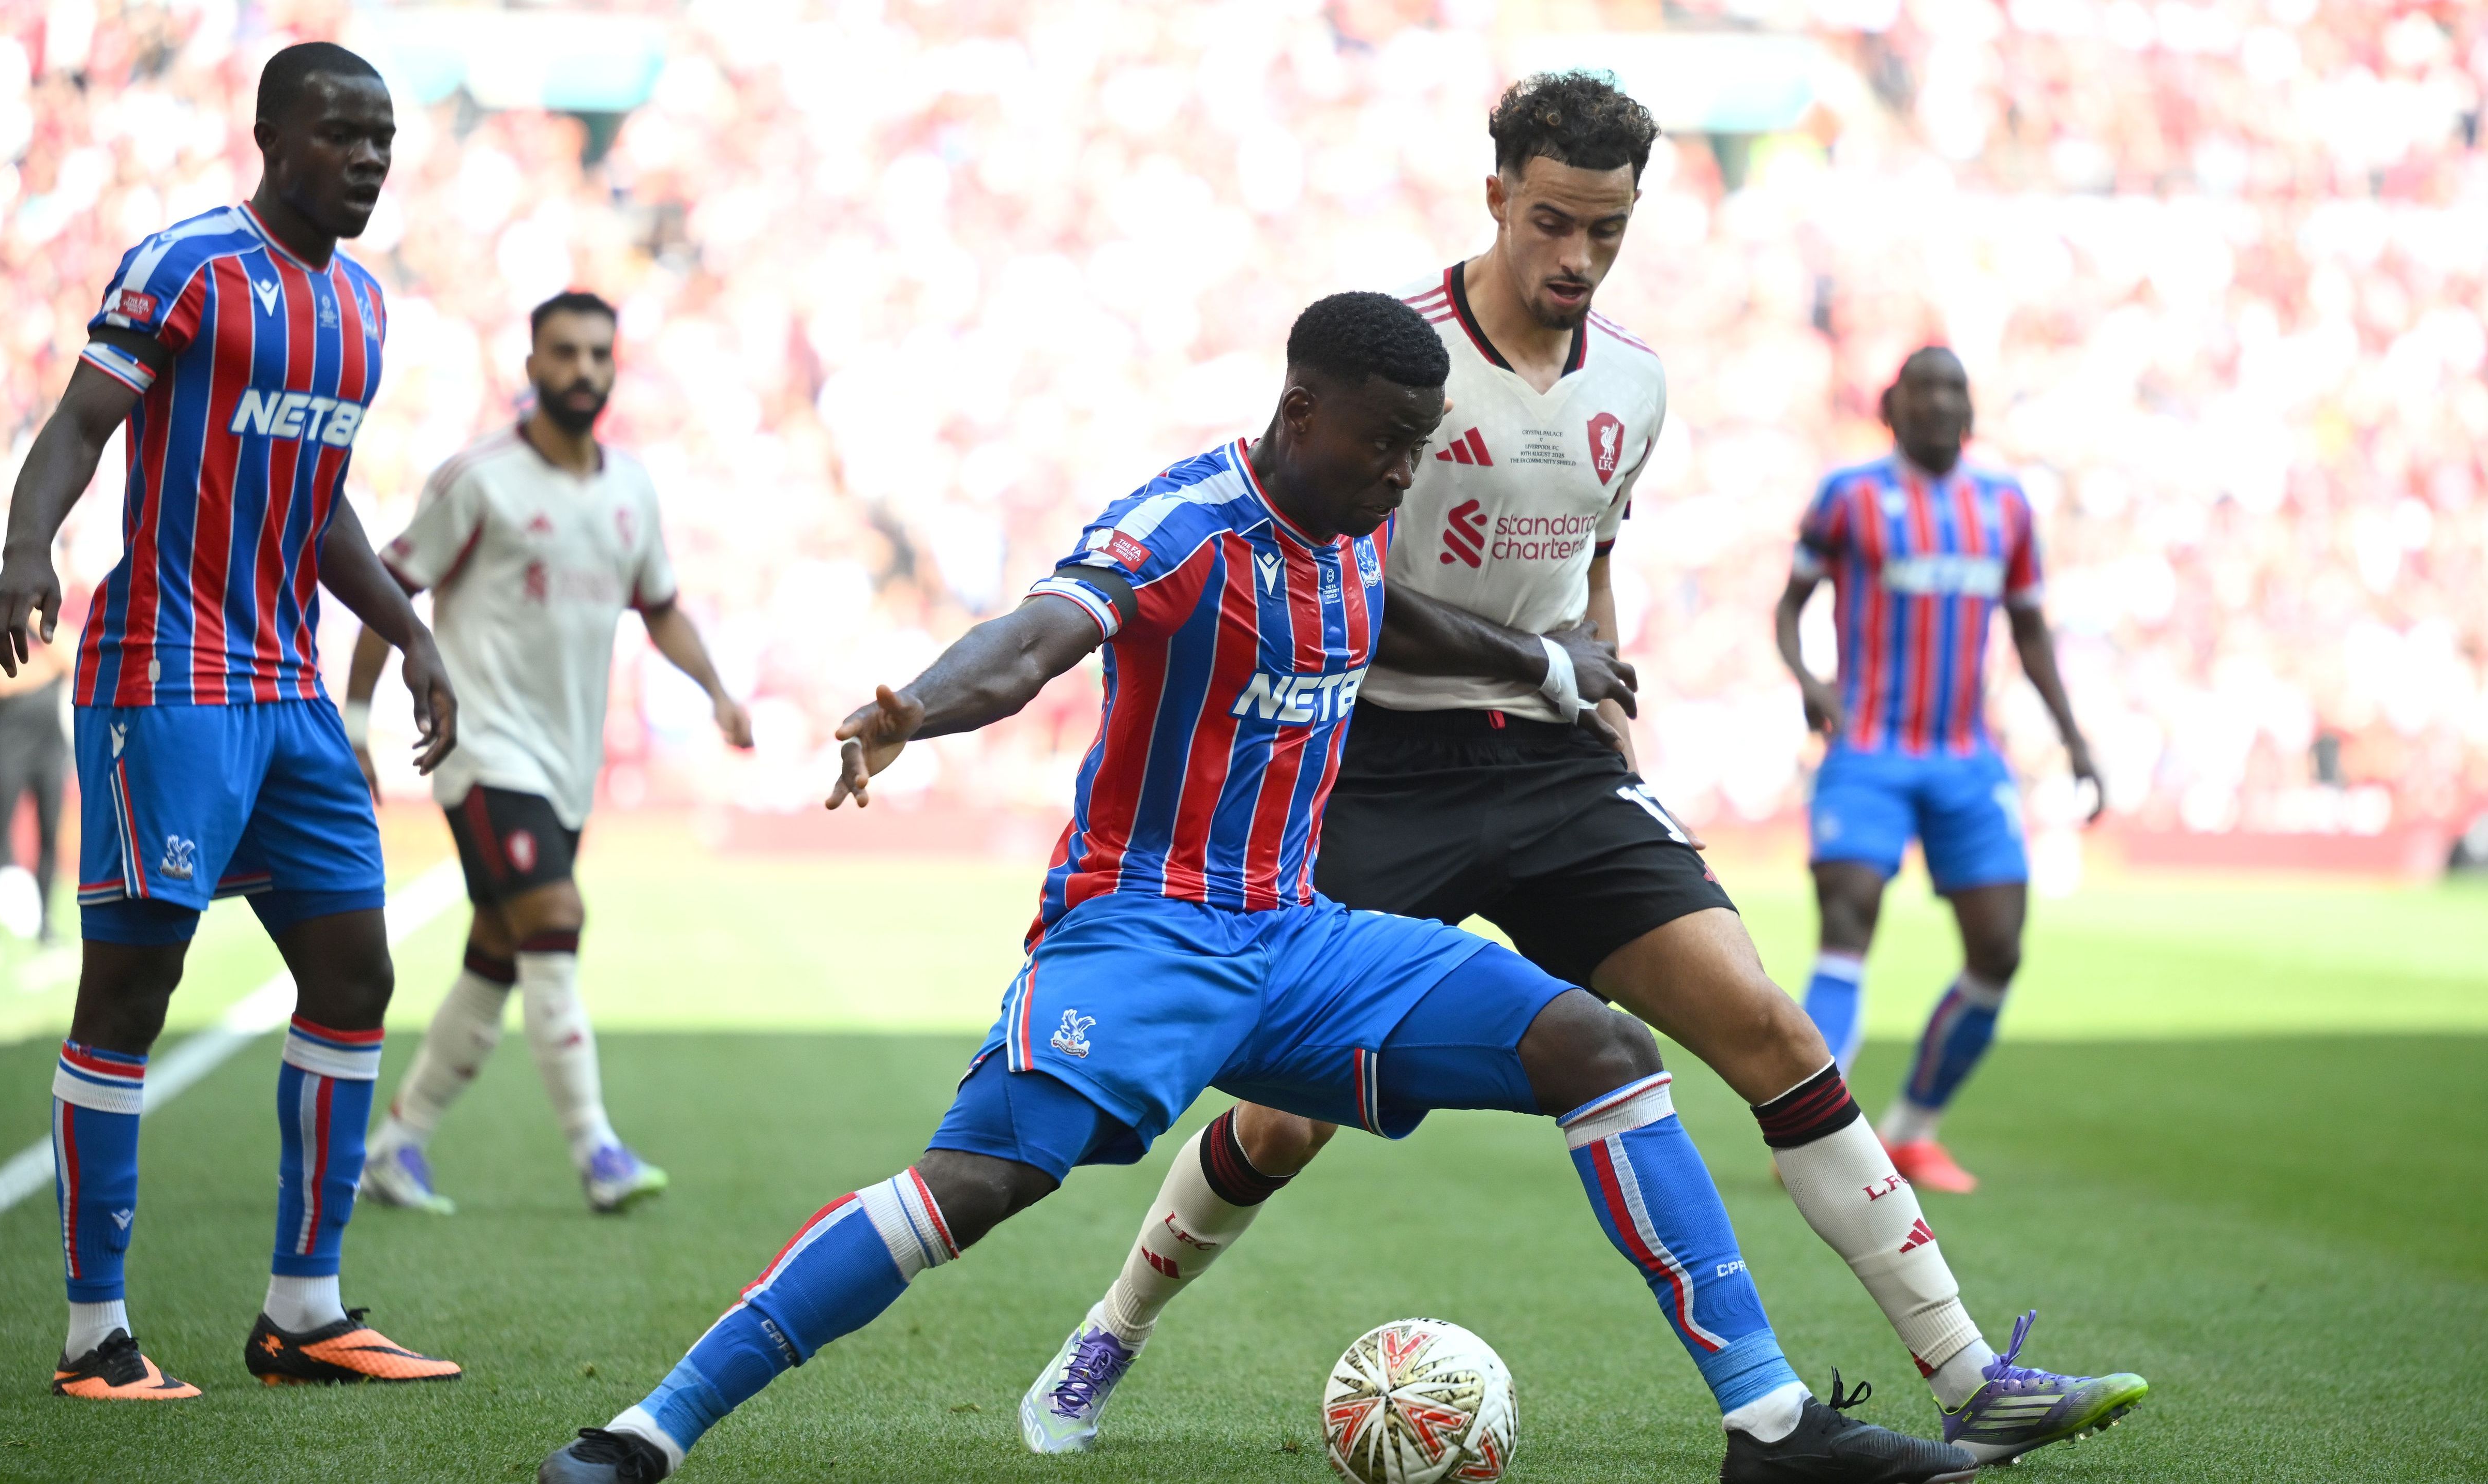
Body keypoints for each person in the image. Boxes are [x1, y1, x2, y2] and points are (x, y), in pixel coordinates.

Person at [534, 292, 1973, 1484]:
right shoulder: (1180, 525)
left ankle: (1767, 1420)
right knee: (979, 1180)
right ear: (1299, 415)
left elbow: (1385, 600)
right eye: (1384, 445)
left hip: (1296, 934)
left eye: (1419, 449)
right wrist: (912, 707)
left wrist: (1545, 663)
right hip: (1139, 927)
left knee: (1599, 1048)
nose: (1402, 475)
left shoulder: (1349, 520)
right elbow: (1041, 633)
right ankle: (651, 1426)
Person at [1021, 75, 2143, 1473]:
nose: (1574, 259)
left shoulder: (1635, 380)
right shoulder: (1400, 367)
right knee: (1285, 1113)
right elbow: (1321, 556)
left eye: (1604, 233)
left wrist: (1600, 693)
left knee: (1772, 1033)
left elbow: (1591, 553)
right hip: (1372, 766)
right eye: (1551, 222)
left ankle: (1972, 1374)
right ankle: (1112, 1328)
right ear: (1494, 195)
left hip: (1550, 765)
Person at [0, 41, 463, 1401]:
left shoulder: (362, 309)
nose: (368, 156)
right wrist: (28, 550)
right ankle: (92, 1334)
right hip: (164, 679)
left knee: (355, 971)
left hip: (288, 691)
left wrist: (411, 629)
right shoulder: (186, 265)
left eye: (384, 137)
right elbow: (81, 424)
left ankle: (303, 1309)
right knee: (130, 994)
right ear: (272, 138)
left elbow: (318, 499)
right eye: (342, 133)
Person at [347, 289, 753, 1217]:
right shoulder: (477, 479)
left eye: (598, 355)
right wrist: (356, 714)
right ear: (530, 367)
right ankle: (596, 1148)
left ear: (614, 368)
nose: (582, 370)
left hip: (567, 767)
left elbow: (660, 605)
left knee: (498, 952)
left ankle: (398, 1143)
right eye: (564, 353)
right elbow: (390, 586)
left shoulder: (630, 489)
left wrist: (719, 691)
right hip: (484, 748)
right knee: (557, 918)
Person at [1775, 347, 2104, 1195]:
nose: (1940, 403)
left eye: (1954, 389)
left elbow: (2030, 631)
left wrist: (2074, 737)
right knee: (1847, 925)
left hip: (1966, 755)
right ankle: (1815, 1141)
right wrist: (1812, 683)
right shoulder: (1850, 495)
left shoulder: (2006, 506)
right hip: (1869, 751)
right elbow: (1791, 604)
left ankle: (1912, 1131)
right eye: (1923, 390)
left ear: (1972, 406)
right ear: (1892, 407)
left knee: (1999, 948)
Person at [0, 639, 70, 946]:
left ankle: (45, 924)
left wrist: (43, 635)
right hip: (11, 751)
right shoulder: (4, 626)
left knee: (49, 838)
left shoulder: (49, 630)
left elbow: (73, 659)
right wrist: (46, 668)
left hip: (50, 752)